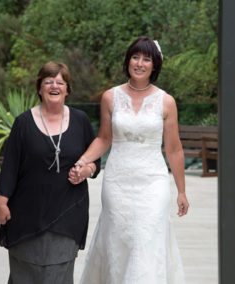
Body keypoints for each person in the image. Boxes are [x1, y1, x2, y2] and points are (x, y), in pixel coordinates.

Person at [73, 36, 189, 283]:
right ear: (127, 61)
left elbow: (174, 149)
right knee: (119, 241)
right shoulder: (110, 97)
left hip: (153, 182)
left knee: (146, 240)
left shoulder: (166, 101)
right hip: (117, 181)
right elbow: (104, 138)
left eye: (146, 59)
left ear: (154, 65)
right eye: (135, 57)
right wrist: (82, 161)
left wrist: (181, 191)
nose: (139, 63)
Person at [0, 61, 100, 284]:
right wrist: (1, 201)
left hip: (68, 209)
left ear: (68, 89)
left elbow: (95, 160)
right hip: (26, 213)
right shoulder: (22, 123)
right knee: (25, 271)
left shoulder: (80, 121)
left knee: (59, 272)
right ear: (39, 88)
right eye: (48, 81)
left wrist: (86, 170)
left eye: (60, 82)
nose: (55, 86)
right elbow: (10, 166)